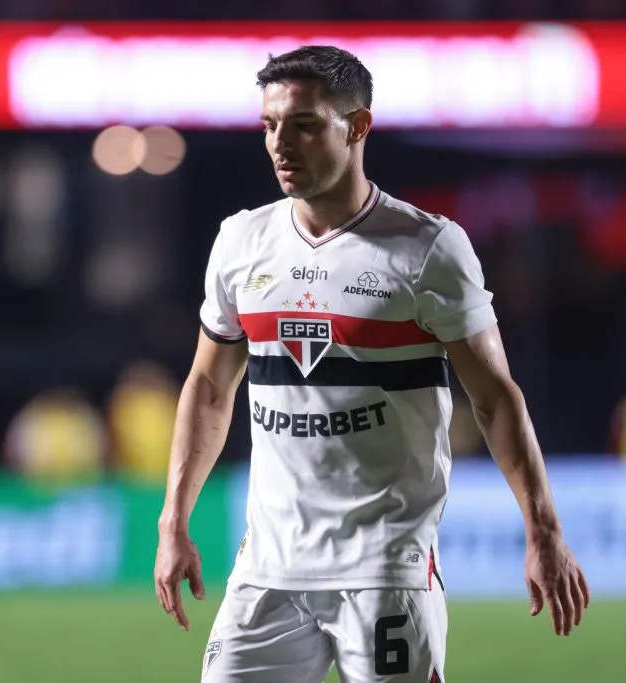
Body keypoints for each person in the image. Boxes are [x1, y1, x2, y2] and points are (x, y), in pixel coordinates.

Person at [154, 46, 590, 683]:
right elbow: (209, 387)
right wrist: (174, 521)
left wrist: (543, 529)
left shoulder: (429, 249)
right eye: (270, 126)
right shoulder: (241, 243)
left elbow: (496, 399)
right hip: (267, 571)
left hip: (385, 571)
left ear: (357, 127)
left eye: (303, 125)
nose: (281, 143)